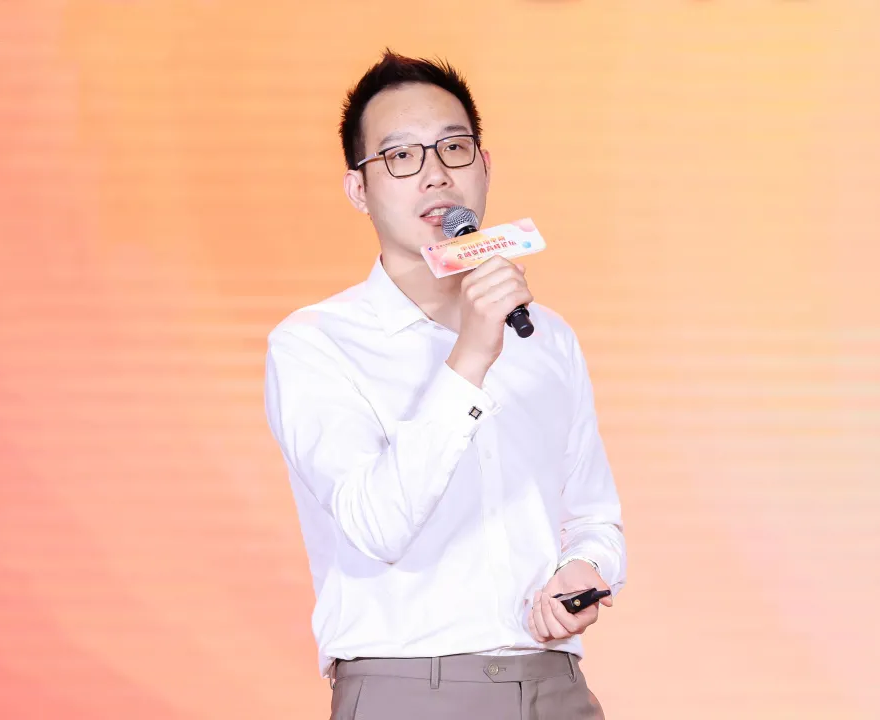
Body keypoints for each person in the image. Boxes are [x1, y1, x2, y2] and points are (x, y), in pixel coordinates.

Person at [263, 50, 627, 720]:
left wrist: (586, 569)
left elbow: (593, 515)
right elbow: (376, 526)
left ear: (484, 166)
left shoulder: (546, 336)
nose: (435, 174)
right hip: (407, 689)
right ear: (358, 189)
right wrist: (471, 357)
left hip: (556, 687)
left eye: (453, 148)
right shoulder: (315, 343)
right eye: (401, 156)